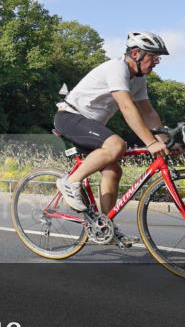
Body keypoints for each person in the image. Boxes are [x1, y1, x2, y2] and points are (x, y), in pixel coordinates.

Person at [55, 31, 170, 215]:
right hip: (70, 117)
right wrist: (151, 142)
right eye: (153, 57)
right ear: (136, 54)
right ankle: (70, 182)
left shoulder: (139, 80)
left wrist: (165, 140)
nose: (156, 62)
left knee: (113, 172)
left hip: (91, 125)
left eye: (158, 58)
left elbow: (149, 113)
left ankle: (105, 224)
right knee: (117, 145)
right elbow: (126, 107)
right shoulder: (117, 68)